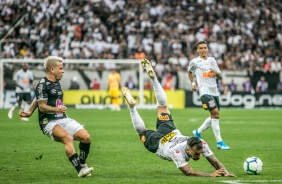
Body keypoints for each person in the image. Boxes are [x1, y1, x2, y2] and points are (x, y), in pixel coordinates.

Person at [122, 59, 236, 177]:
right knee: (142, 131)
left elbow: (214, 161)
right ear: (187, 149)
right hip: (158, 142)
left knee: (162, 106)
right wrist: (210, 175)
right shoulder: (176, 152)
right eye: (196, 154)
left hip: (171, 131)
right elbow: (189, 172)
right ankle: (132, 107)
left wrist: (225, 173)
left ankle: (154, 79)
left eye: (199, 153)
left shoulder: (200, 143)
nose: (199, 156)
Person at [19, 56, 93, 177]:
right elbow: (42, 106)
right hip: (48, 121)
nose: (63, 71)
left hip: (62, 118)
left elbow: (38, 98)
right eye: (61, 68)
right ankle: (80, 170)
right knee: (67, 138)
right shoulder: (42, 84)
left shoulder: (56, 82)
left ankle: (83, 163)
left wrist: (29, 112)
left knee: (86, 137)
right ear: (52, 69)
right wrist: (56, 109)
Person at [187, 41, 230, 150]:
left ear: (207, 49)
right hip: (204, 91)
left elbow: (220, 77)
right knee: (215, 114)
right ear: (197, 50)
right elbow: (189, 72)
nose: (203, 50)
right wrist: (193, 83)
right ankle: (219, 142)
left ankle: (198, 131)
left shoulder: (212, 60)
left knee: (214, 115)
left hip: (214, 91)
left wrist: (216, 73)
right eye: (200, 48)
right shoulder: (194, 61)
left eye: (205, 48)